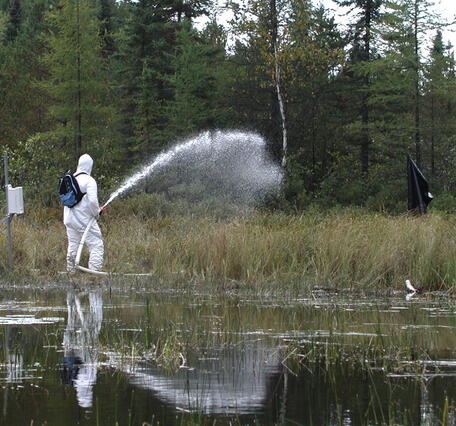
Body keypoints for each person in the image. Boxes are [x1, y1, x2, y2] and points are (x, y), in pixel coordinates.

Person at [64, 153, 104, 272]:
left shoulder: (70, 179)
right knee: (96, 244)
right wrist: (97, 213)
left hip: (69, 219)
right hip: (84, 220)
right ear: (89, 167)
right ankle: (94, 273)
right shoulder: (89, 180)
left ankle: (70, 272)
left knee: (73, 245)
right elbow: (92, 201)